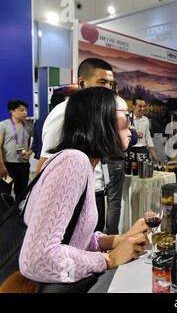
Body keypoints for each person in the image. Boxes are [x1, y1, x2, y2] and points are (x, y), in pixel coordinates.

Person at [19, 87, 149, 286]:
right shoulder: (74, 162)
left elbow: (76, 238)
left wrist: (122, 239)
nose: (131, 126)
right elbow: (38, 258)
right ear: (100, 118)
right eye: (125, 116)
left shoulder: (83, 162)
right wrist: (109, 259)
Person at [37, 58, 116, 232]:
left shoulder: (95, 115)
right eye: (102, 82)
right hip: (72, 199)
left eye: (111, 84)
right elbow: (44, 166)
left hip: (96, 191)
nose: (108, 89)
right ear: (82, 83)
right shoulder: (64, 114)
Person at [0, 100, 33, 196]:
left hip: (23, 165)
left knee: (22, 193)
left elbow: (35, 144)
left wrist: (30, 152)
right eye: (21, 110)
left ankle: (18, 210)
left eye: (26, 110)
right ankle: (6, 211)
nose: (25, 113)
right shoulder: (3, 125)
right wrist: (1, 166)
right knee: (4, 192)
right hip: (7, 165)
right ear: (12, 112)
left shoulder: (29, 126)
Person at [31, 93, 66, 161]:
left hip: (42, 158)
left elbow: (35, 143)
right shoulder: (65, 119)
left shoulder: (40, 120)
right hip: (57, 159)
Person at [129, 97, 157, 161]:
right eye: (140, 106)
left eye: (144, 106)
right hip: (131, 151)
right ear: (134, 106)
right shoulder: (128, 119)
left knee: (145, 170)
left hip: (143, 150)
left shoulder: (146, 120)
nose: (143, 108)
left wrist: (153, 153)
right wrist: (135, 135)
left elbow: (148, 137)